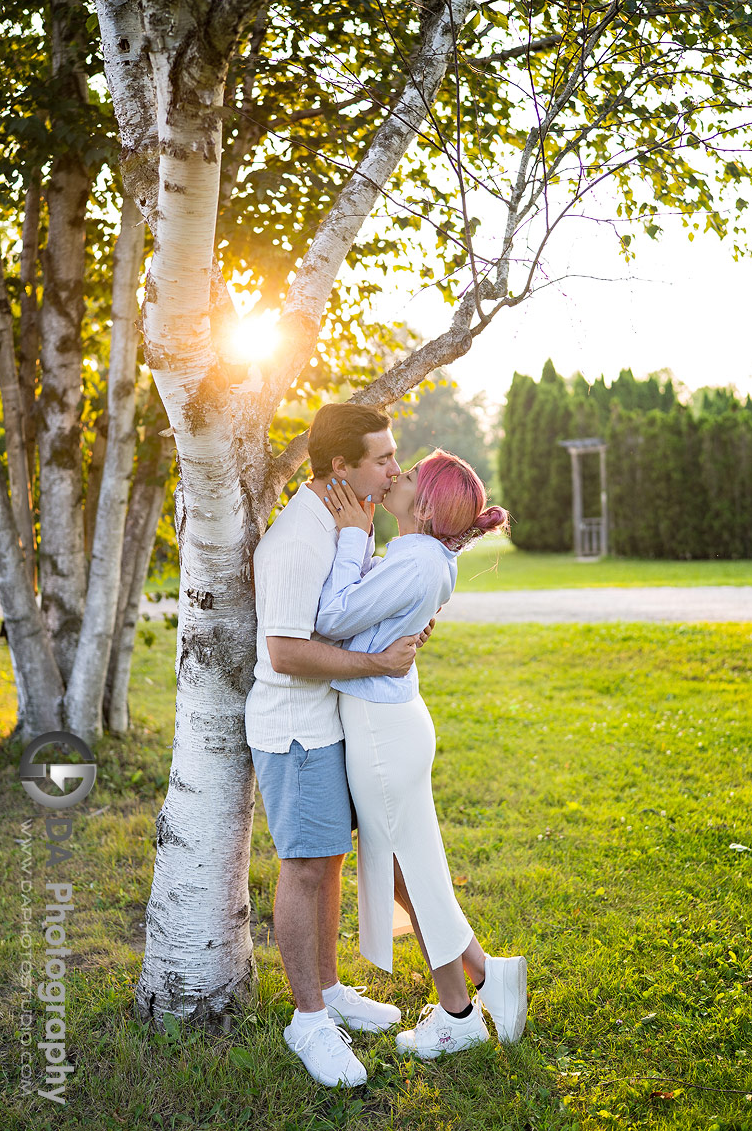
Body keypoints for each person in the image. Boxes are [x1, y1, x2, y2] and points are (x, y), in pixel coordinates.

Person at [244, 403, 436, 1089]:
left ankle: (327, 991)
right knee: (304, 867)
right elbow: (288, 651)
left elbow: (347, 614)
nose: (393, 470)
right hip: (294, 730)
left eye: (392, 456)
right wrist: (377, 665)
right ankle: (306, 1019)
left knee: (327, 862)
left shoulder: (343, 523)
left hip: (329, 724)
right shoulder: (300, 540)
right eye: (381, 460)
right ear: (340, 468)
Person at [315, 449, 528, 1060]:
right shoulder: (420, 558)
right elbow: (370, 616)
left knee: (413, 871)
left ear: (426, 505)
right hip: (389, 723)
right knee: (415, 869)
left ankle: (460, 1012)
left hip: (383, 730)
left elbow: (331, 617)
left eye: (410, 475)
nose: (397, 474)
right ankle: (485, 975)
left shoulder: (414, 564)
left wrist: (354, 538)